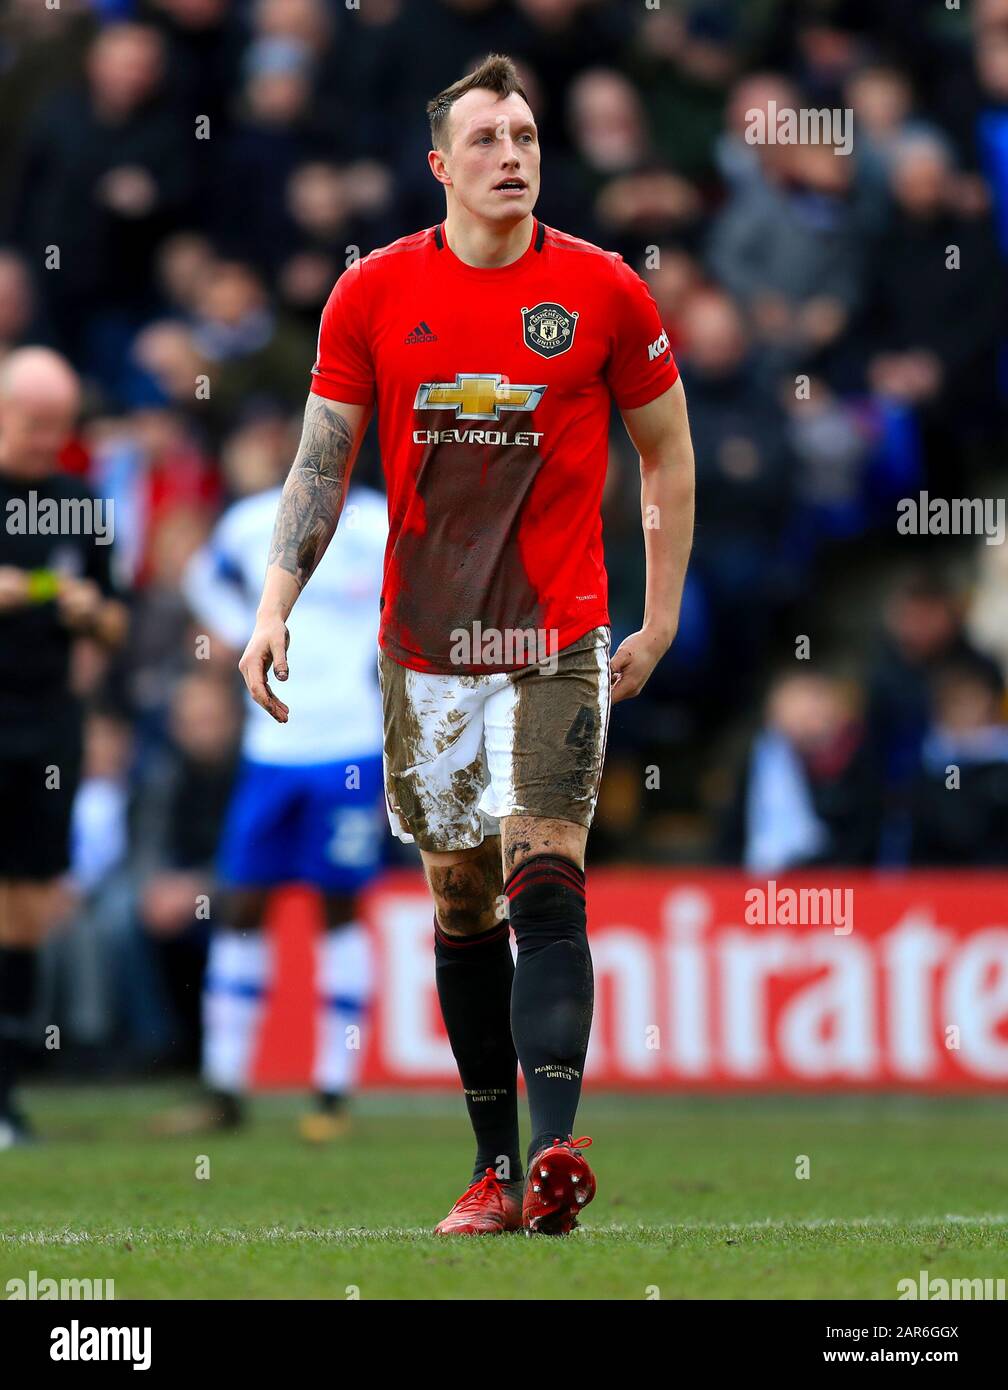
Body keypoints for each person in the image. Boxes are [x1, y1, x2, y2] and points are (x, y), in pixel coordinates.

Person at [237, 54, 695, 1235]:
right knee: (461, 899)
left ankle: (554, 1157)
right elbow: (323, 460)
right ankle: (492, 1166)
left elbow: (668, 454)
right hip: (426, 649)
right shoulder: (373, 294)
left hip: (555, 636)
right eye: (488, 138)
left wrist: (661, 614)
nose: (514, 155)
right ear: (443, 165)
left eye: (529, 136)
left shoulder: (604, 293)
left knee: (549, 875)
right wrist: (277, 599)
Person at [172, 474, 387, 1139]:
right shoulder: (252, 518)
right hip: (272, 745)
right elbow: (198, 574)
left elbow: (432, 584)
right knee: (242, 902)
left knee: (339, 907)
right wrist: (244, 632)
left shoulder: (378, 521)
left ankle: (331, 1092)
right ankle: (225, 1085)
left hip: (351, 744)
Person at [0, 348, 126, 1148]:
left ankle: (6, 1097)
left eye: (61, 424)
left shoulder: (81, 503)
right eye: (34, 422)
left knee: (30, 907)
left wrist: (86, 613)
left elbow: (117, 620)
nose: (49, 438)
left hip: (48, 723)